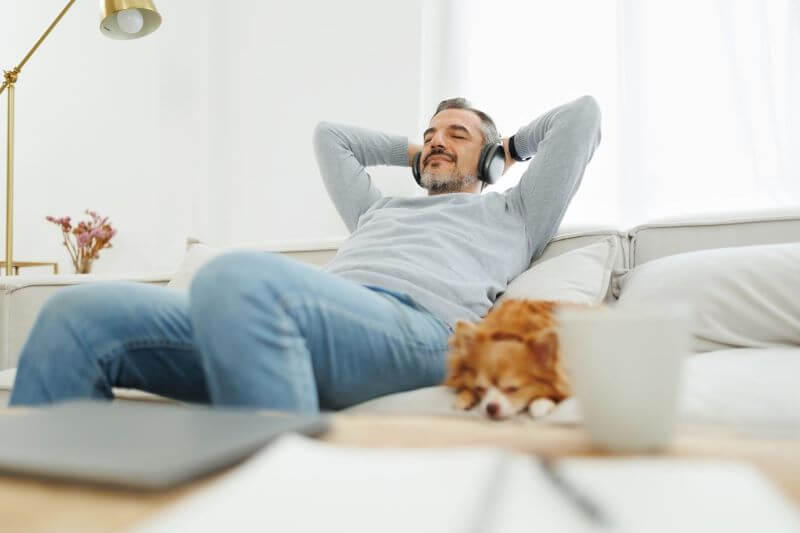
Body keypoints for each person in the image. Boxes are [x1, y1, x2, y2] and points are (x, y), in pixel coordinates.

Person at [10, 95, 601, 411]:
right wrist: (420, 152)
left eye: (456, 135)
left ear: (491, 160)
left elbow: (582, 116)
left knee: (234, 277)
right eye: (429, 135)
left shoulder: (512, 214)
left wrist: (509, 148)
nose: (436, 141)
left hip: (417, 331)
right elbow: (331, 137)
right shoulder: (378, 211)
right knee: (76, 318)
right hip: (288, 324)